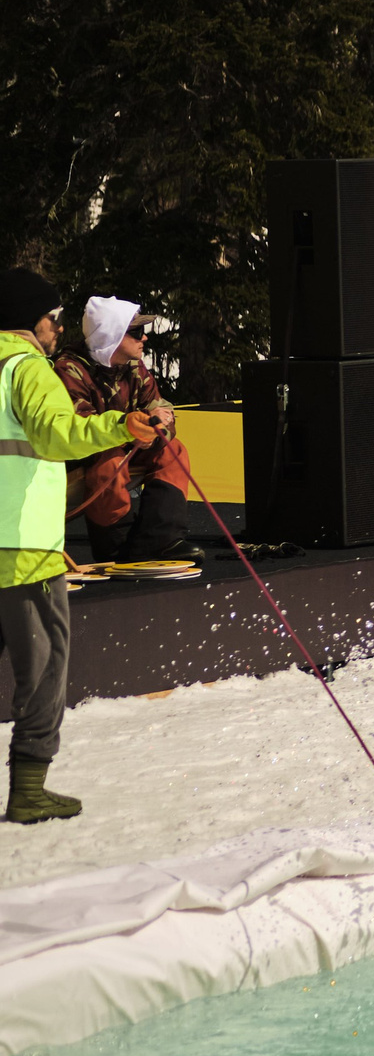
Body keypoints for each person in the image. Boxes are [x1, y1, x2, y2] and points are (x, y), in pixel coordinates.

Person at [0, 269, 164, 824]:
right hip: (22, 546)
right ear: (34, 320)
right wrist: (123, 426)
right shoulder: (29, 369)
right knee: (45, 667)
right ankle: (28, 787)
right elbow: (58, 435)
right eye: (54, 317)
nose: (58, 327)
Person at [56, 296, 191, 563]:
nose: (145, 339)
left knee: (172, 450)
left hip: (124, 447)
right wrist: (132, 428)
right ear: (112, 335)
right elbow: (77, 430)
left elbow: (160, 407)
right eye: (137, 332)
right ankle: (116, 551)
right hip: (75, 460)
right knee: (111, 462)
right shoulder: (69, 369)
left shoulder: (133, 367)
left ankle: (159, 543)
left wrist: (158, 427)